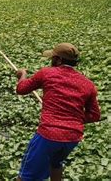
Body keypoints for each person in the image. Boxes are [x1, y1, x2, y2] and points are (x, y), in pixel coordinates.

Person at [15, 43, 101, 181]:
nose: (51, 61)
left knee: (26, 177)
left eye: (53, 58)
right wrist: (73, 118)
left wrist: (22, 74)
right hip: (73, 138)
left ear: (58, 60)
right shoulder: (88, 84)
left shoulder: (47, 73)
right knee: (56, 164)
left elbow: (21, 89)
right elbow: (95, 115)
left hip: (49, 135)